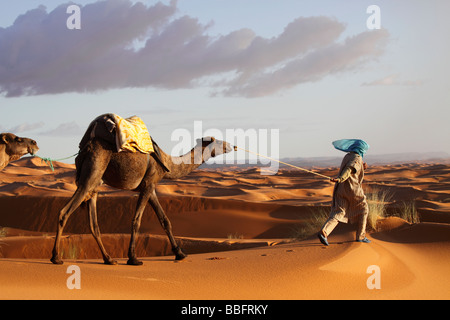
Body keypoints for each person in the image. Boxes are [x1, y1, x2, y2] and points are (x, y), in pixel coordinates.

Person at [318, 139, 371, 246]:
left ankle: (325, 232)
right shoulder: (357, 158)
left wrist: (362, 167)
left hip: (341, 189)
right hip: (353, 190)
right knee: (364, 209)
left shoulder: (348, 156)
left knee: (339, 212)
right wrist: (341, 178)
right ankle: (360, 236)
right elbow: (350, 169)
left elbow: (353, 168)